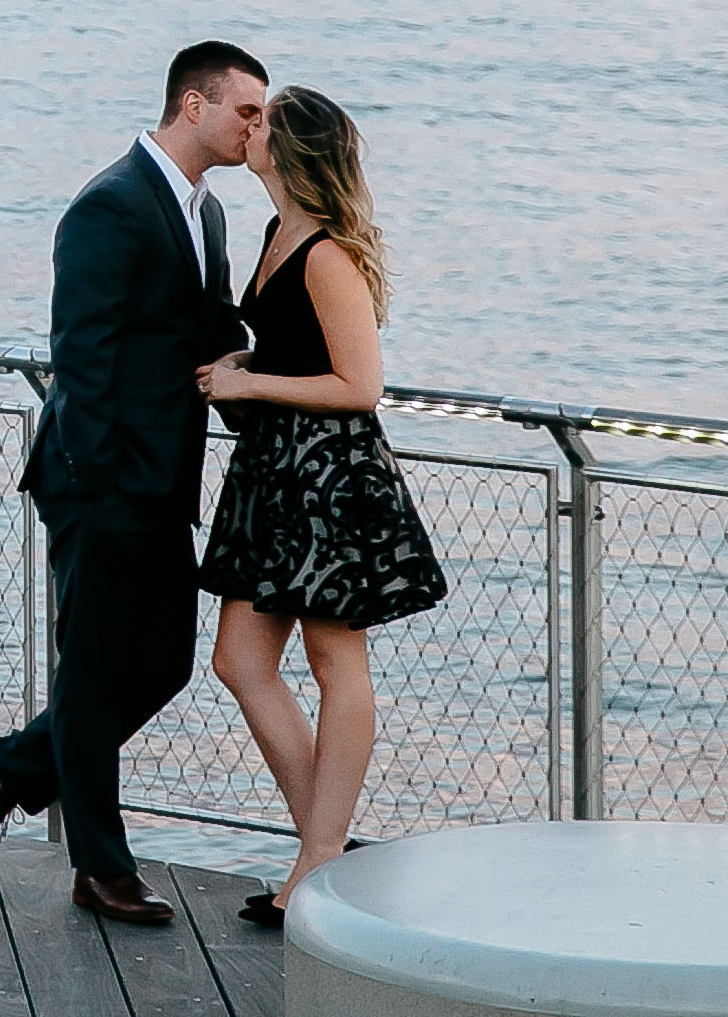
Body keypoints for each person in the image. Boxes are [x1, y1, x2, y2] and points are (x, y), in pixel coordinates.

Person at [0, 38, 266, 925]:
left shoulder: (205, 214)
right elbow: (80, 362)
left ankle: (9, 768)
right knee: (93, 677)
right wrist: (99, 488)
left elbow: (202, 335)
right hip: (99, 483)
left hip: (165, 484)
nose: (257, 127)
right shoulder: (110, 204)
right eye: (246, 110)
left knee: (164, 666)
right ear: (193, 106)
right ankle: (101, 869)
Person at [194, 85, 449, 924]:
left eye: (261, 123)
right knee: (240, 659)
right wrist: (236, 363)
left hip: (330, 479)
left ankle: (318, 858)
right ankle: (327, 847)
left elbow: (360, 385)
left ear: (293, 150)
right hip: (276, 471)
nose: (248, 129)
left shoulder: (328, 254)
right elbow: (289, 348)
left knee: (338, 663)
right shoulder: (276, 233)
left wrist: (249, 379)